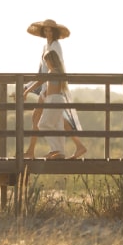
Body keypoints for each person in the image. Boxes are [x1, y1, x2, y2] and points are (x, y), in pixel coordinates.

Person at [22, 19, 87, 159]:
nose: (48, 33)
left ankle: (71, 147)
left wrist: (32, 89)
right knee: (42, 117)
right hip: (47, 84)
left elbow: (54, 68)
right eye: (45, 30)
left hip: (52, 85)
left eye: (50, 30)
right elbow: (41, 71)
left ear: (55, 32)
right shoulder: (45, 47)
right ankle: (35, 151)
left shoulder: (56, 45)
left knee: (55, 119)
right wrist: (27, 87)